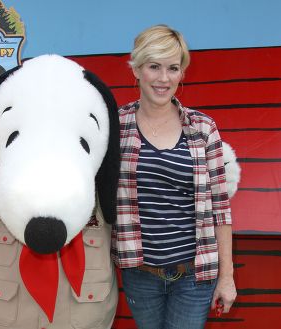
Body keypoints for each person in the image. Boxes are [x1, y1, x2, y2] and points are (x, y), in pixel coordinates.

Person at [111, 24, 237, 329]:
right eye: (154, 67)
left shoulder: (203, 128)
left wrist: (227, 277)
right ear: (137, 68)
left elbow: (221, 208)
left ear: (182, 74)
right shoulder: (115, 127)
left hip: (195, 275)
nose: (163, 78)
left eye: (173, 68)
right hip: (140, 274)